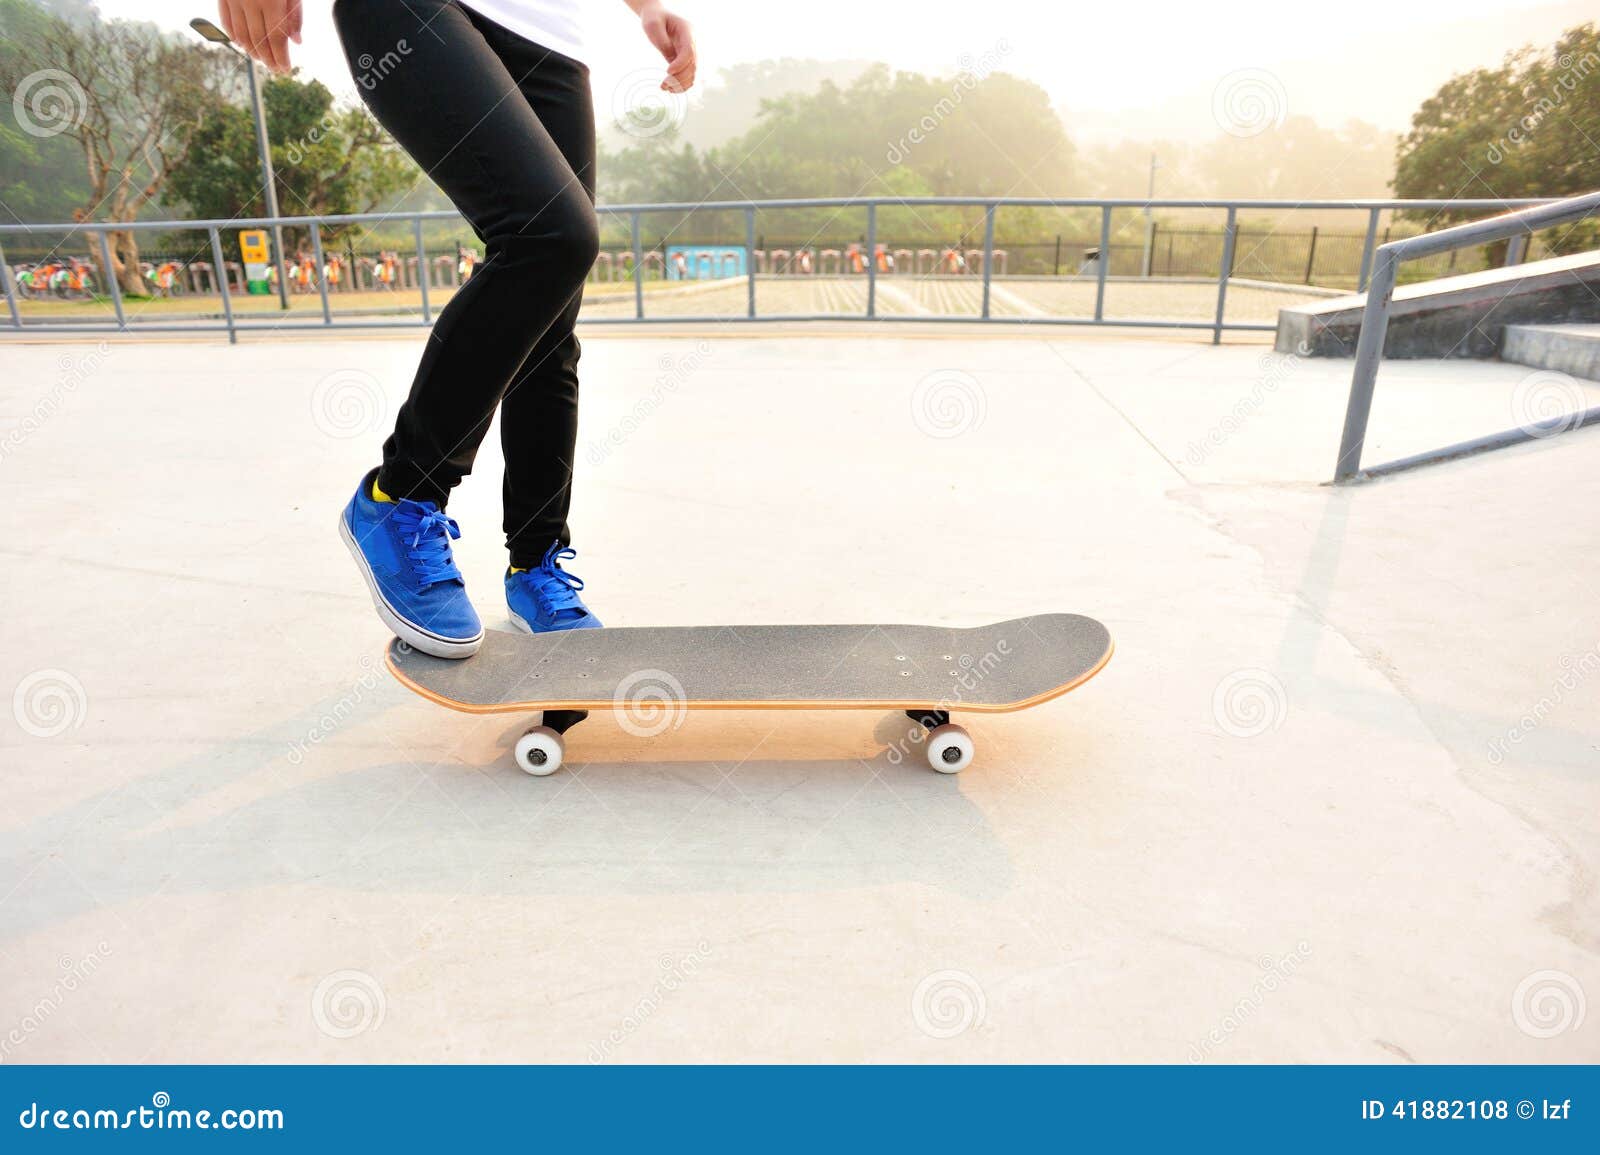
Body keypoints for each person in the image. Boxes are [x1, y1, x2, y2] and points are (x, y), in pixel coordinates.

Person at [216, 0, 696, 657]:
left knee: (550, 323)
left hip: (553, 35)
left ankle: (536, 562)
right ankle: (400, 492)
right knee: (552, 235)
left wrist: (646, 9)